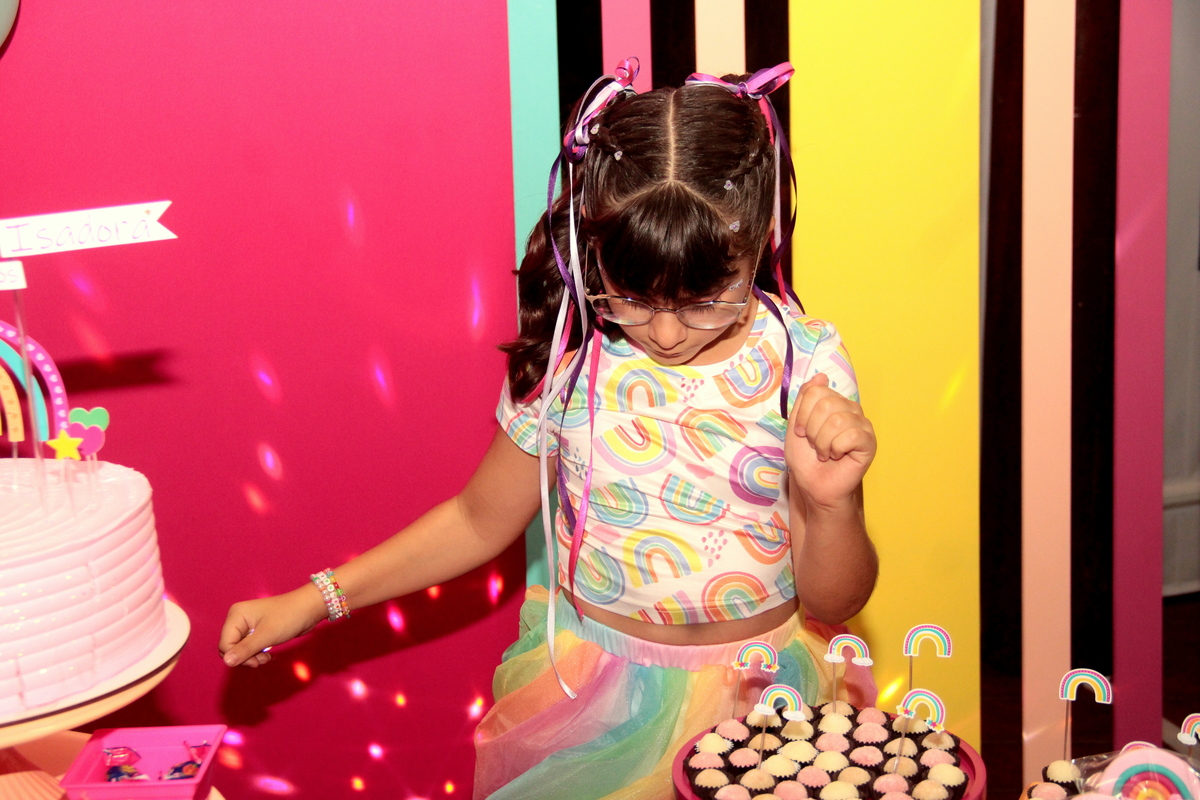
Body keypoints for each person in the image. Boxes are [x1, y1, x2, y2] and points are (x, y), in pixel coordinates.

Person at [219, 61, 879, 800]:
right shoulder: (569, 357)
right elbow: (475, 520)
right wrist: (316, 598)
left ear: (755, 239)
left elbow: (836, 599)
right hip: (596, 707)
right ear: (589, 241)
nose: (662, 330)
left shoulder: (804, 362)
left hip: (767, 715)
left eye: (700, 300)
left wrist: (831, 504)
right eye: (628, 294)